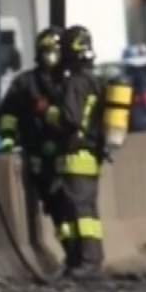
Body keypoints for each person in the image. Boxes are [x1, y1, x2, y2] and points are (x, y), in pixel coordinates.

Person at [0, 26, 71, 266]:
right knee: (56, 208)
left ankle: (80, 255)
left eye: (55, 50)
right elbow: (8, 115)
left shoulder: (69, 84)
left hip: (67, 155)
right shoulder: (25, 84)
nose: (51, 55)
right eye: (47, 50)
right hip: (38, 156)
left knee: (73, 205)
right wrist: (8, 141)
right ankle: (72, 252)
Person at [55, 24, 107, 278]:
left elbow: (70, 118)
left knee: (81, 211)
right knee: (84, 210)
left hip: (77, 155)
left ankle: (88, 261)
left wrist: (47, 113)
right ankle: (81, 259)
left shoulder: (75, 83)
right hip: (92, 154)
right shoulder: (97, 81)